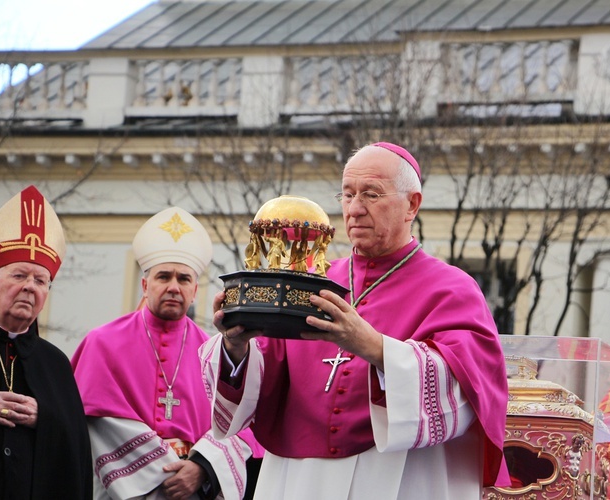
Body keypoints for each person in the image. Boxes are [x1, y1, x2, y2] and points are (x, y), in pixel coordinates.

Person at [199, 142, 509, 498]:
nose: (355, 209)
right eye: (347, 195)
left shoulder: (452, 288)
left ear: (412, 204)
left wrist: (373, 347)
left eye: (371, 195)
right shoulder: (308, 282)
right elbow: (263, 372)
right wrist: (235, 346)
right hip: (299, 478)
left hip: (398, 475)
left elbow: (470, 386)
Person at [71, 207, 262, 499]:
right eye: (164, 277)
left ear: (195, 290)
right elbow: (92, 422)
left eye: (184, 279)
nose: (174, 287)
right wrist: (157, 469)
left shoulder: (212, 352)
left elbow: (239, 423)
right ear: (145, 285)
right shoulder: (102, 342)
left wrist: (202, 467)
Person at [0, 185, 92, 498]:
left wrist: (47, 419)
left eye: (40, 280)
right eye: (19, 275)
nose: (30, 287)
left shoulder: (54, 364)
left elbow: (77, 454)